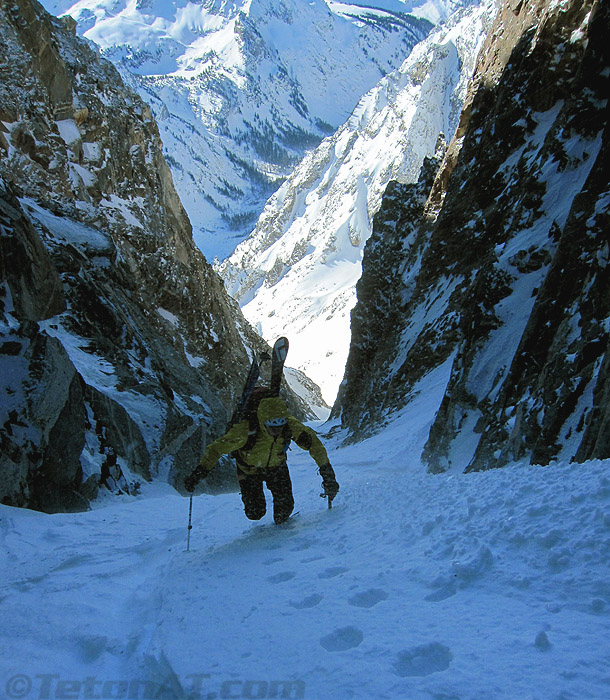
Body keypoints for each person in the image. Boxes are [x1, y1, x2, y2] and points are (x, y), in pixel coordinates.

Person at [184, 395, 339, 524]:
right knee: (255, 513)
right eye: (272, 428)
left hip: (276, 467)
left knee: (284, 510)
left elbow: (315, 445)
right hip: (249, 471)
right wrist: (199, 473)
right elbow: (216, 449)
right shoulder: (244, 430)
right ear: (263, 422)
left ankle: (280, 525)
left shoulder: (289, 424)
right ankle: (254, 505)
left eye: (280, 427)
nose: (277, 431)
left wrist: (328, 474)